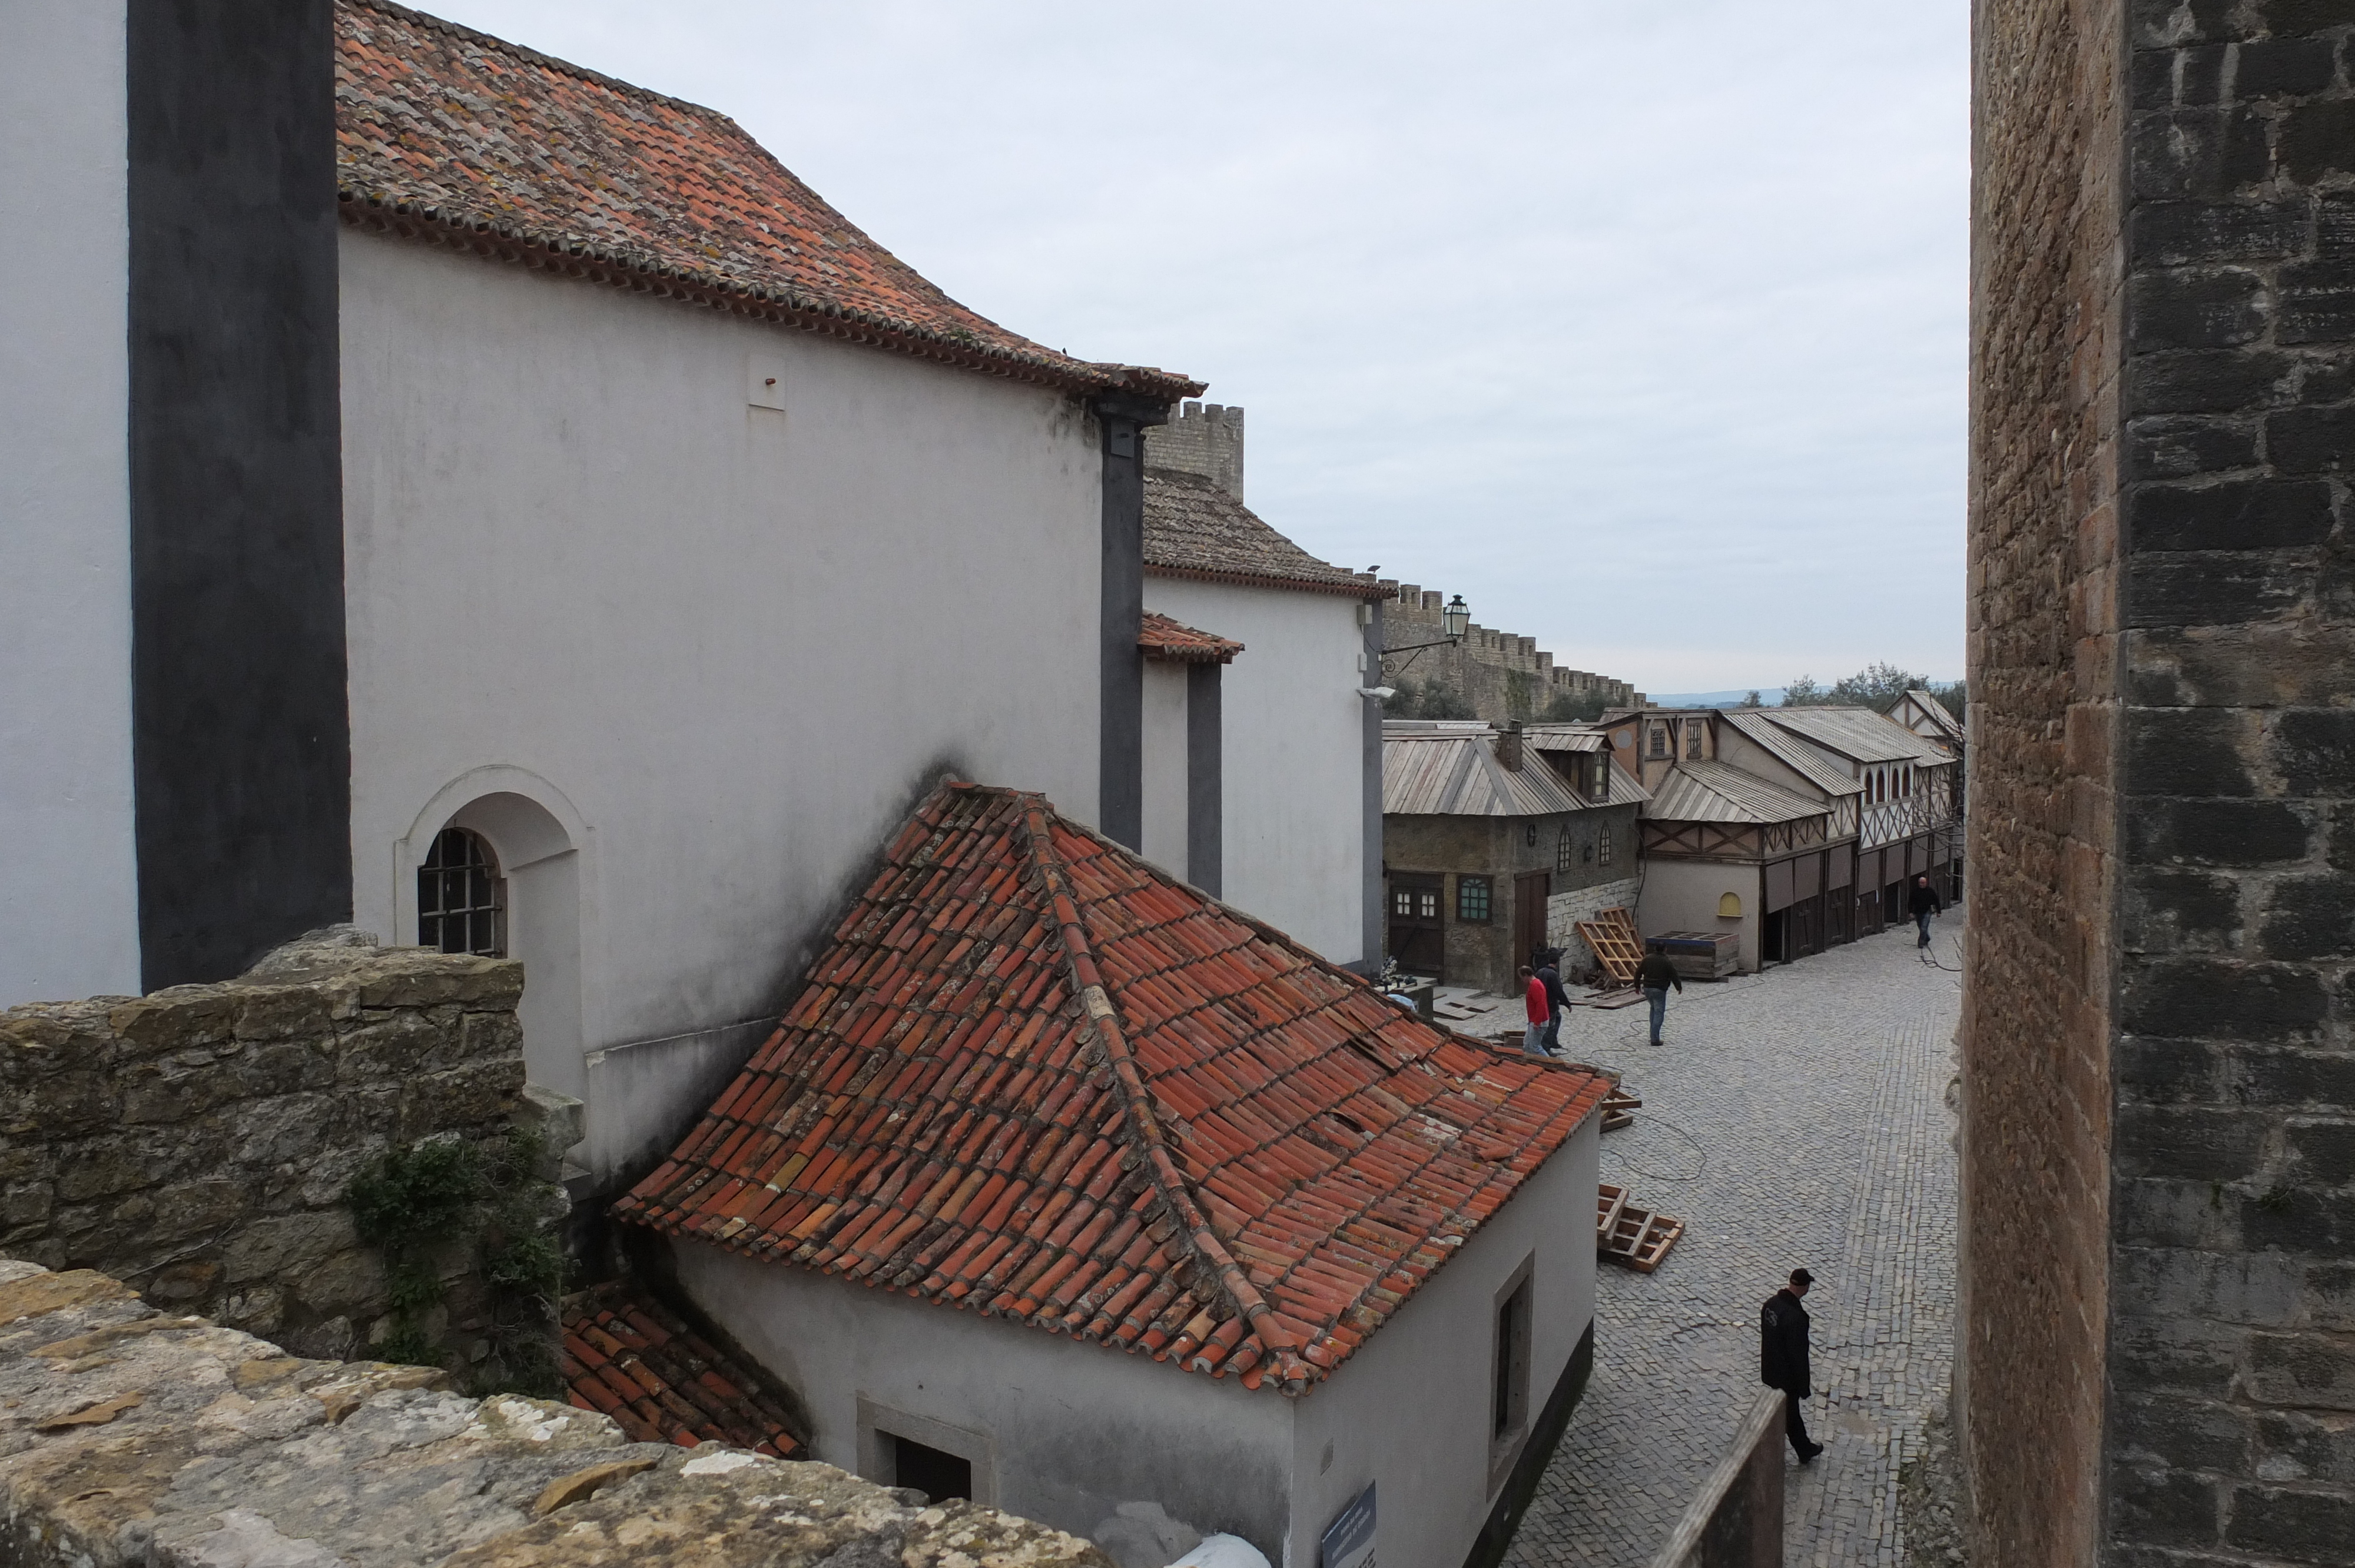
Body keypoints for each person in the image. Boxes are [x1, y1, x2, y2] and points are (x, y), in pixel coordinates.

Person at [1762, 1268, 1823, 1463]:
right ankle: (1803, 1450)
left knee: (1789, 1413)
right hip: (1787, 1377)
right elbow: (1799, 1356)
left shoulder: (1770, 1305)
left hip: (1771, 1369)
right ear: (1805, 1287)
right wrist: (1803, 1386)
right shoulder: (1797, 1319)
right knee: (1790, 1414)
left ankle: (1803, 1448)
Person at [1635, 948, 1682, 1047]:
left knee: (1653, 1009)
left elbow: (1638, 973)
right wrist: (1679, 987)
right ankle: (1655, 1039)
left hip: (1647, 988)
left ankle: (1652, 1034)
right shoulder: (1666, 961)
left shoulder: (1647, 959)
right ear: (1665, 949)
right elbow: (1674, 975)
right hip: (1659, 989)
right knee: (1659, 1012)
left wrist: (1637, 986)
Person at [1534, 954, 1573, 1057]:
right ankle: (1546, 1048)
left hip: (1542, 1003)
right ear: (1557, 963)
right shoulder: (1553, 975)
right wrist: (1567, 1004)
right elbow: (1559, 991)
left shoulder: (1540, 972)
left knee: (1558, 1018)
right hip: (1551, 1004)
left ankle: (1553, 1041)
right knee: (1551, 1026)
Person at [1518, 965, 1550, 1058]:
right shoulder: (1535, 984)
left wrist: (1537, 1022)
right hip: (1534, 1020)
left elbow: (1541, 1004)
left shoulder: (1535, 986)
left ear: (1526, 975)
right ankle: (1531, 1063)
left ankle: (1549, 1064)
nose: (1522, 981)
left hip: (1539, 1022)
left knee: (1535, 1047)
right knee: (1527, 1045)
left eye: (1522, 978)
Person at [1908, 873, 1945, 949]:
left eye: (1923, 883)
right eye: (1920, 883)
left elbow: (1936, 901)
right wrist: (1910, 912)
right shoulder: (1915, 891)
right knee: (1921, 927)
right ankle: (1927, 938)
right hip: (1918, 912)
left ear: (1926, 883)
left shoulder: (1930, 891)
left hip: (1927, 911)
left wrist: (1939, 911)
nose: (1921, 885)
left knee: (1924, 927)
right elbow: (1910, 902)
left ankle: (1921, 942)